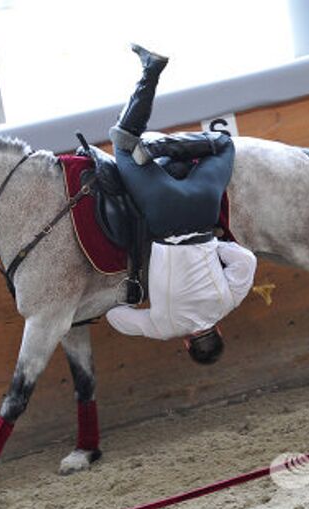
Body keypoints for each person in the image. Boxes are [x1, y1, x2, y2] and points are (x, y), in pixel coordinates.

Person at [105, 44, 257, 364]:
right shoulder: (165, 328)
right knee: (122, 144)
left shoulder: (228, 303)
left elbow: (246, 261)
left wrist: (216, 249)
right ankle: (151, 71)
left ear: (220, 332)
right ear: (187, 344)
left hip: (203, 211)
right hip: (163, 213)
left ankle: (162, 146)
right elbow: (116, 318)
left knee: (225, 145)